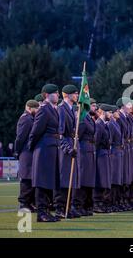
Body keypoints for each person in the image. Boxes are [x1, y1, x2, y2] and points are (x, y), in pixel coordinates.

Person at [28, 84, 61, 222]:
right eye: (55, 93)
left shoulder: (53, 109)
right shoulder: (44, 110)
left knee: (49, 181)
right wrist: (33, 147)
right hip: (44, 149)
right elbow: (36, 131)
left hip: (51, 147)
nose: (58, 95)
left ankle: (46, 211)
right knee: (42, 182)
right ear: (46, 95)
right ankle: (41, 212)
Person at [55, 85, 80, 219]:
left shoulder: (70, 109)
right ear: (67, 95)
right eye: (75, 94)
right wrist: (67, 148)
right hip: (65, 149)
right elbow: (60, 133)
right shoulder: (62, 109)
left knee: (71, 179)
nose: (77, 96)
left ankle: (68, 207)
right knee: (64, 178)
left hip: (71, 145)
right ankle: (60, 208)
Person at [15, 99, 39, 212]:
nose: (37, 110)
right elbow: (20, 137)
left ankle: (27, 203)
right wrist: (17, 151)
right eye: (36, 108)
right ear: (29, 108)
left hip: (29, 151)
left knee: (30, 178)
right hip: (26, 151)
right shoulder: (26, 119)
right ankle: (23, 203)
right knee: (26, 178)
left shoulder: (30, 118)